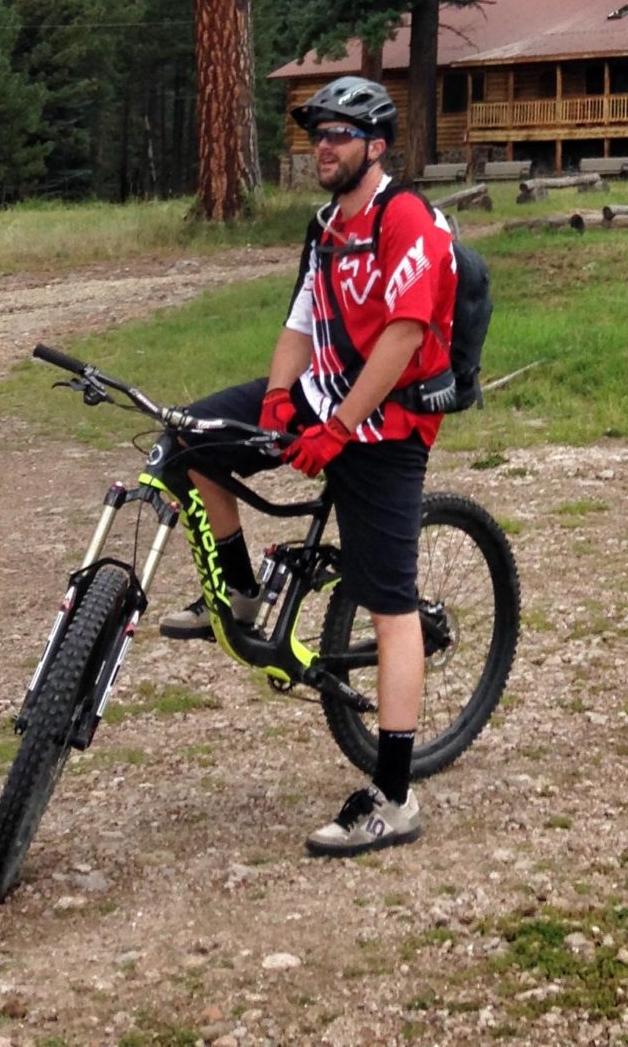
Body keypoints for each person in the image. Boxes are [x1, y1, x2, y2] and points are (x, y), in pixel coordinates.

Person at [160, 73, 458, 856]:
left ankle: (394, 799)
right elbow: (300, 319)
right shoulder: (326, 226)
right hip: (326, 394)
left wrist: (340, 427)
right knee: (187, 440)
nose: (321, 145)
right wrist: (279, 400)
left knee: (389, 606)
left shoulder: (408, 220)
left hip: (387, 426)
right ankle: (245, 592)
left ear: (376, 146)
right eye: (315, 133)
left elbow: (403, 334)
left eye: (338, 135)